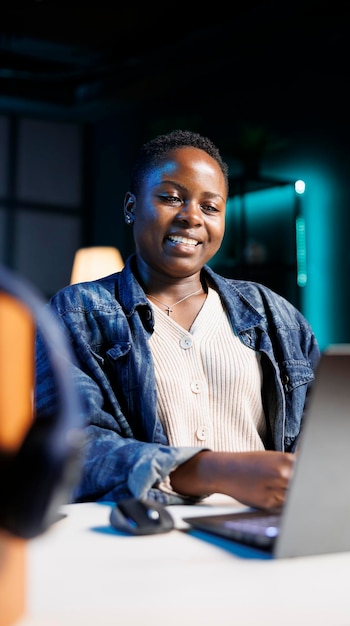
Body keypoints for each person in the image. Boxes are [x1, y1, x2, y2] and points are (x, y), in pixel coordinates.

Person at [35, 129, 320, 511]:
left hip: (260, 528)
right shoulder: (79, 311)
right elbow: (72, 448)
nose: (191, 217)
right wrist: (212, 470)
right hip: (145, 534)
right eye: (171, 198)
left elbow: (321, 430)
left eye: (211, 206)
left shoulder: (274, 314)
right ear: (131, 207)